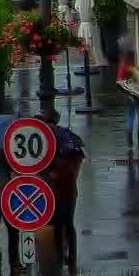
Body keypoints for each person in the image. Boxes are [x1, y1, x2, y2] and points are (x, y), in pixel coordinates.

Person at [40, 108, 85, 267]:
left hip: (62, 195)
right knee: (63, 225)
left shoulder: (64, 162)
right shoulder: (69, 154)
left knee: (63, 224)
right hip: (64, 195)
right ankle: (65, 254)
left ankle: (66, 255)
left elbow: (57, 175)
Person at [118, 48, 139, 149]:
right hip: (138, 94)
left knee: (130, 116)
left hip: (127, 95)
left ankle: (129, 138)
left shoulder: (123, 65)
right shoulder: (136, 66)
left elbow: (119, 80)